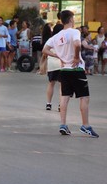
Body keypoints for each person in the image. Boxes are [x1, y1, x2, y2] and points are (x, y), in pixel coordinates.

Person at [42, 10, 99, 138]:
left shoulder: (56, 36)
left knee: (64, 97)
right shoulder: (75, 32)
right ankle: (85, 125)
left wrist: (58, 55)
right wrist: (76, 57)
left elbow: (44, 50)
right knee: (84, 97)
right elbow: (77, 44)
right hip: (76, 69)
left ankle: (63, 124)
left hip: (64, 70)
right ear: (71, 19)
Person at [40, 23, 64, 111]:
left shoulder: (51, 39)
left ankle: (48, 103)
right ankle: (60, 105)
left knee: (51, 84)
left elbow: (44, 51)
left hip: (52, 64)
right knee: (62, 85)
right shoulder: (63, 39)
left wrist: (53, 55)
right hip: (61, 64)